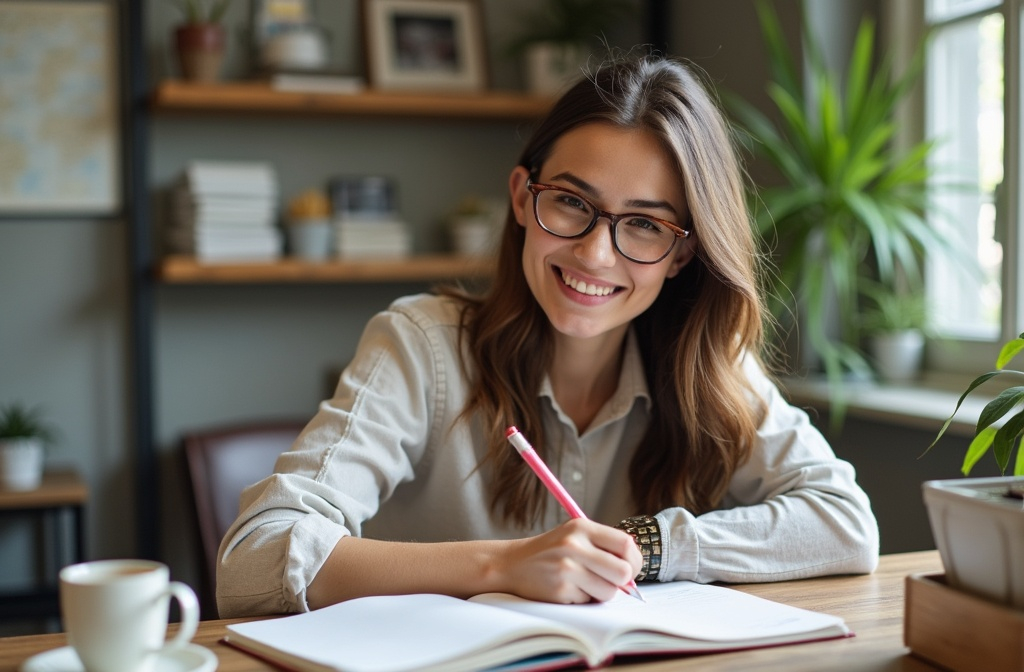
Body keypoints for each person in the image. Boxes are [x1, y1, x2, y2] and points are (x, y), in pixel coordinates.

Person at [216, 53, 879, 618]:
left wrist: (644, 545)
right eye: (571, 202)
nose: (594, 255)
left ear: (683, 253)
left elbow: (846, 525)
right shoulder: (419, 345)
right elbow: (252, 562)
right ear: (521, 198)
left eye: (645, 224)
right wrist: (500, 567)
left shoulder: (711, 365)